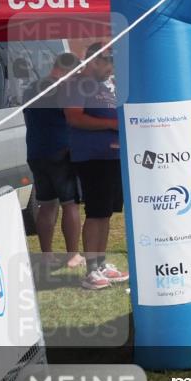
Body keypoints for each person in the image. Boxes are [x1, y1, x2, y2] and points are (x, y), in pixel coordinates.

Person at [60, 43, 129, 290]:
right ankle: (91, 270)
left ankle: (100, 263)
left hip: (112, 157)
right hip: (92, 157)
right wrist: (111, 124)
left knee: (106, 212)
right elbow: (74, 117)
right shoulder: (76, 84)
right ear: (93, 61)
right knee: (96, 211)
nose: (111, 68)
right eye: (108, 62)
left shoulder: (106, 86)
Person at [23, 52, 85, 270]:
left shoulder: (31, 88)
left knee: (46, 205)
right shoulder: (63, 89)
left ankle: (47, 255)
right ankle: (72, 255)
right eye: (76, 74)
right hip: (61, 151)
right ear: (67, 70)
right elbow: (73, 117)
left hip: (36, 152)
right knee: (70, 204)